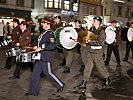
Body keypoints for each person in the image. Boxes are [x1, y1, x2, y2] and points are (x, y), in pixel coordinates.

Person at [25, 17, 64, 96]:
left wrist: (42, 47)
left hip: (45, 57)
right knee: (35, 74)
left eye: (43, 23)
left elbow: (53, 45)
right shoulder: (44, 33)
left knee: (49, 73)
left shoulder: (50, 33)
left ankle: (60, 85)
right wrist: (36, 46)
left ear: (47, 24)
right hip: (39, 57)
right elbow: (40, 43)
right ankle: (33, 91)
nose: (42, 24)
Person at [76, 16, 110, 89]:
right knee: (87, 67)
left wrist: (90, 41)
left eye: (94, 21)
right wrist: (80, 40)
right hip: (91, 51)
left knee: (100, 67)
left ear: (98, 22)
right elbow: (88, 38)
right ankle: (84, 82)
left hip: (97, 52)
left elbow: (100, 42)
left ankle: (107, 78)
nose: (93, 22)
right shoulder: (92, 30)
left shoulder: (102, 31)